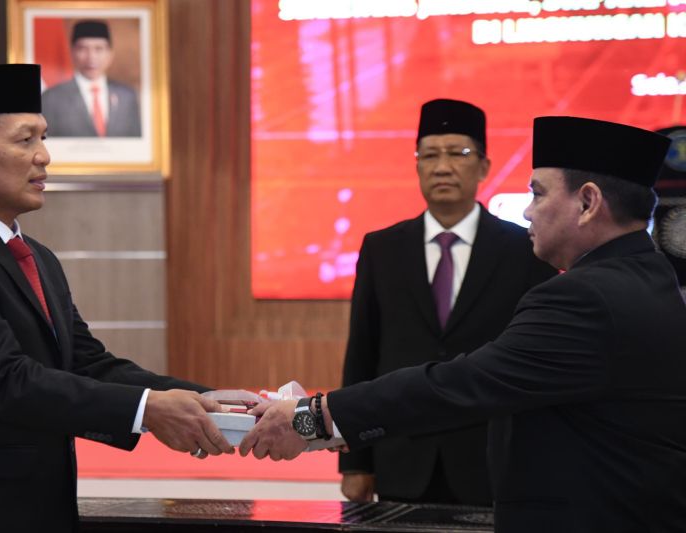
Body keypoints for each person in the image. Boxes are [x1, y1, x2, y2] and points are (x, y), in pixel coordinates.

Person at [240, 116, 686, 532]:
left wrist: (315, 417)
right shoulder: (647, 276)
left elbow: (464, 382)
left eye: (538, 194)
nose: (527, 212)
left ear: (587, 202)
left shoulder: (584, 297)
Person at [0, 64, 232, 533]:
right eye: (25, 140)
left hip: (42, 508)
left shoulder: (37, 257)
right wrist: (147, 409)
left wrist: (206, 399)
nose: (44, 156)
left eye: (44, 138)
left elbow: (87, 364)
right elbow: (8, 382)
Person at [339, 98, 556, 505]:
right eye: (429, 155)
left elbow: (538, 362)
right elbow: (362, 355)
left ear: (484, 166)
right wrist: (355, 462)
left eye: (458, 153)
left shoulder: (524, 250)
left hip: (493, 460)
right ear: (417, 166)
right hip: (400, 453)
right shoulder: (382, 248)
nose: (442, 167)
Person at [42, 20, 142, 137]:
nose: (91, 57)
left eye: (98, 49)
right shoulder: (52, 97)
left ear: (110, 53)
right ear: (72, 52)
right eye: (83, 49)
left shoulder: (127, 96)